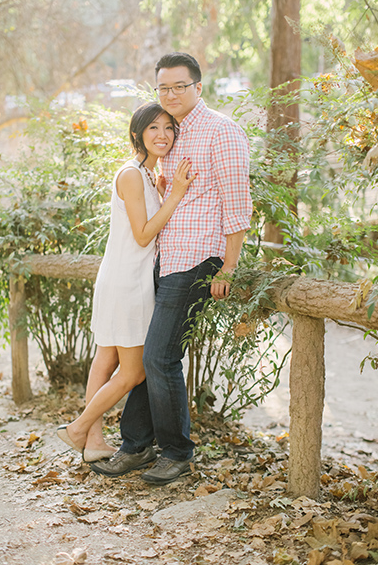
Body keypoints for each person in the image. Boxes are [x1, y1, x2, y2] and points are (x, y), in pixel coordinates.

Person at [90, 52, 253, 485]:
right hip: (162, 259)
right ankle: (136, 445)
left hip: (199, 259)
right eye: (164, 87)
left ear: (198, 87)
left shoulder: (222, 131)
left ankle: (177, 452)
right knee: (149, 354)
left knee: (159, 356)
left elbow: (237, 205)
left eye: (180, 86)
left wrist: (229, 267)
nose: (172, 94)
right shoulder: (169, 132)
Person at [56, 102, 194, 462]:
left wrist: (163, 191)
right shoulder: (132, 174)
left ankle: (94, 443)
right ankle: (78, 428)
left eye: (168, 128)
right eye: (153, 128)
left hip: (123, 278)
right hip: (127, 283)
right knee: (132, 371)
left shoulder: (147, 175)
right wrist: (176, 194)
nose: (162, 135)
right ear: (137, 134)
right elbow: (145, 234)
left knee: (105, 359)